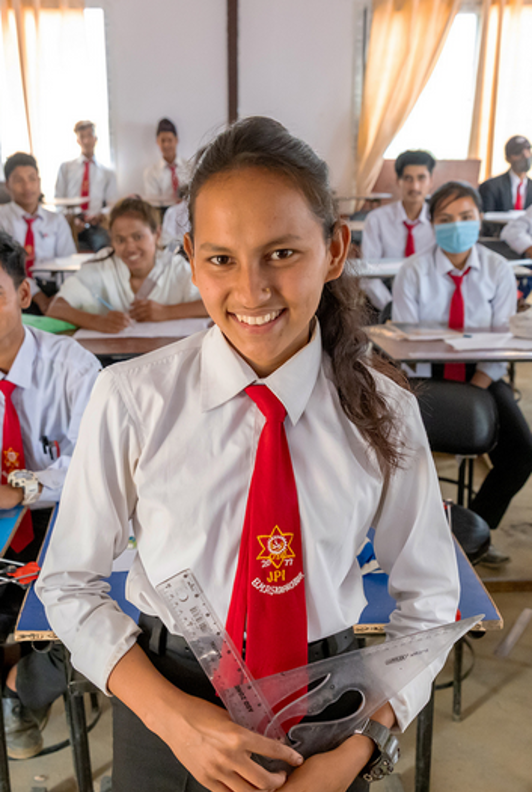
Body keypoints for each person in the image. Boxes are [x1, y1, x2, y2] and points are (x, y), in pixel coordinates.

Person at [37, 117, 459, 792]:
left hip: (329, 723)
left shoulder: (385, 413)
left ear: (336, 248)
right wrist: (174, 720)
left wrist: (358, 751)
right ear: (189, 256)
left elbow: (432, 603)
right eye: (221, 258)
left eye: (283, 254)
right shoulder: (131, 398)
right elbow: (68, 582)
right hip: (169, 705)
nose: (252, 290)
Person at [392, 180, 532, 567]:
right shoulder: (413, 272)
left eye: (466, 217)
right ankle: (415, 538)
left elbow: (502, 342)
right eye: (446, 218)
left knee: (521, 453)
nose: (457, 225)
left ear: (480, 219)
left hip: (482, 375)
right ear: (432, 223)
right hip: (425, 376)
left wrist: (477, 389)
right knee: (399, 452)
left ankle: (473, 533)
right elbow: (406, 346)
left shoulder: (498, 270)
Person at [0, 231, 100, 759]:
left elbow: (92, 468)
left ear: (22, 294)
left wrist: (20, 491)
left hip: (63, 519)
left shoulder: (73, 367)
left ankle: (23, 688)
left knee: (87, 617)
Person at [47, 196, 207, 333]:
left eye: (138, 237)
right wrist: (97, 321)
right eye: (120, 240)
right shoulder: (103, 265)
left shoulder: (174, 267)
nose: (130, 248)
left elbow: (210, 304)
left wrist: (166, 312)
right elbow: (56, 308)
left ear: (156, 234)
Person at [0, 153, 76, 314]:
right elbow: (8, 268)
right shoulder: (2, 220)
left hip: (55, 290)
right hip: (14, 290)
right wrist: (38, 296)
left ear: (39, 182)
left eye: (31, 179)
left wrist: (61, 297)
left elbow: (69, 262)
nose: (27, 186)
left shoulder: (56, 220)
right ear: (7, 185)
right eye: (19, 180)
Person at [360, 150, 436, 310]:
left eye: (421, 178)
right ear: (398, 181)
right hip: (386, 303)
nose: (415, 186)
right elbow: (368, 277)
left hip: (431, 303)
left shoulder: (439, 221)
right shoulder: (377, 220)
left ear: (431, 181)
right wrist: (392, 308)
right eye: (408, 179)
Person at [55, 120, 118, 251]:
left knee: (105, 251)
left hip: (95, 224)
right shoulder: (66, 168)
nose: (86, 141)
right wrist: (71, 220)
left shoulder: (107, 173)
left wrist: (101, 215)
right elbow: (58, 200)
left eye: (89, 136)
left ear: (95, 139)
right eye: (82, 137)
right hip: (71, 222)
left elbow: (112, 203)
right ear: (78, 140)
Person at [479, 135, 532, 213]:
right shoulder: (491, 187)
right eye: (518, 152)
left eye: (528, 151)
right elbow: (487, 220)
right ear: (507, 158)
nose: (525, 156)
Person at [143, 118, 189, 206]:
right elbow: (153, 205)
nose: (166, 145)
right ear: (157, 142)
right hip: (163, 216)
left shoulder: (189, 167)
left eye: (170, 140)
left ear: (176, 140)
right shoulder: (151, 173)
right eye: (163, 141)